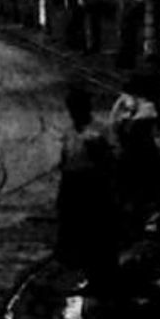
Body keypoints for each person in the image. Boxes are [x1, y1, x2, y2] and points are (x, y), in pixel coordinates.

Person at [55, 87, 118, 284]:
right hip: (72, 183)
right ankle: (81, 272)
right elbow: (65, 159)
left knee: (93, 230)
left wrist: (98, 151)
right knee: (72, 229)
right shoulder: (69, 132)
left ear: (87, 109)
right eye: (72, 109)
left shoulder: (100, 130)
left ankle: (98, 275)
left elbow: (111, 160)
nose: (75, 113)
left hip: (93, 185)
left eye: (78, 109)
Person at [109, 71, 160, 216]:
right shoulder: (133, 111)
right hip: (133, 154)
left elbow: (126, 129)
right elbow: (114, 125)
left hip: (140, 156)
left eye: (126, 96)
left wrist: (122, 113)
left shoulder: (147, 110)